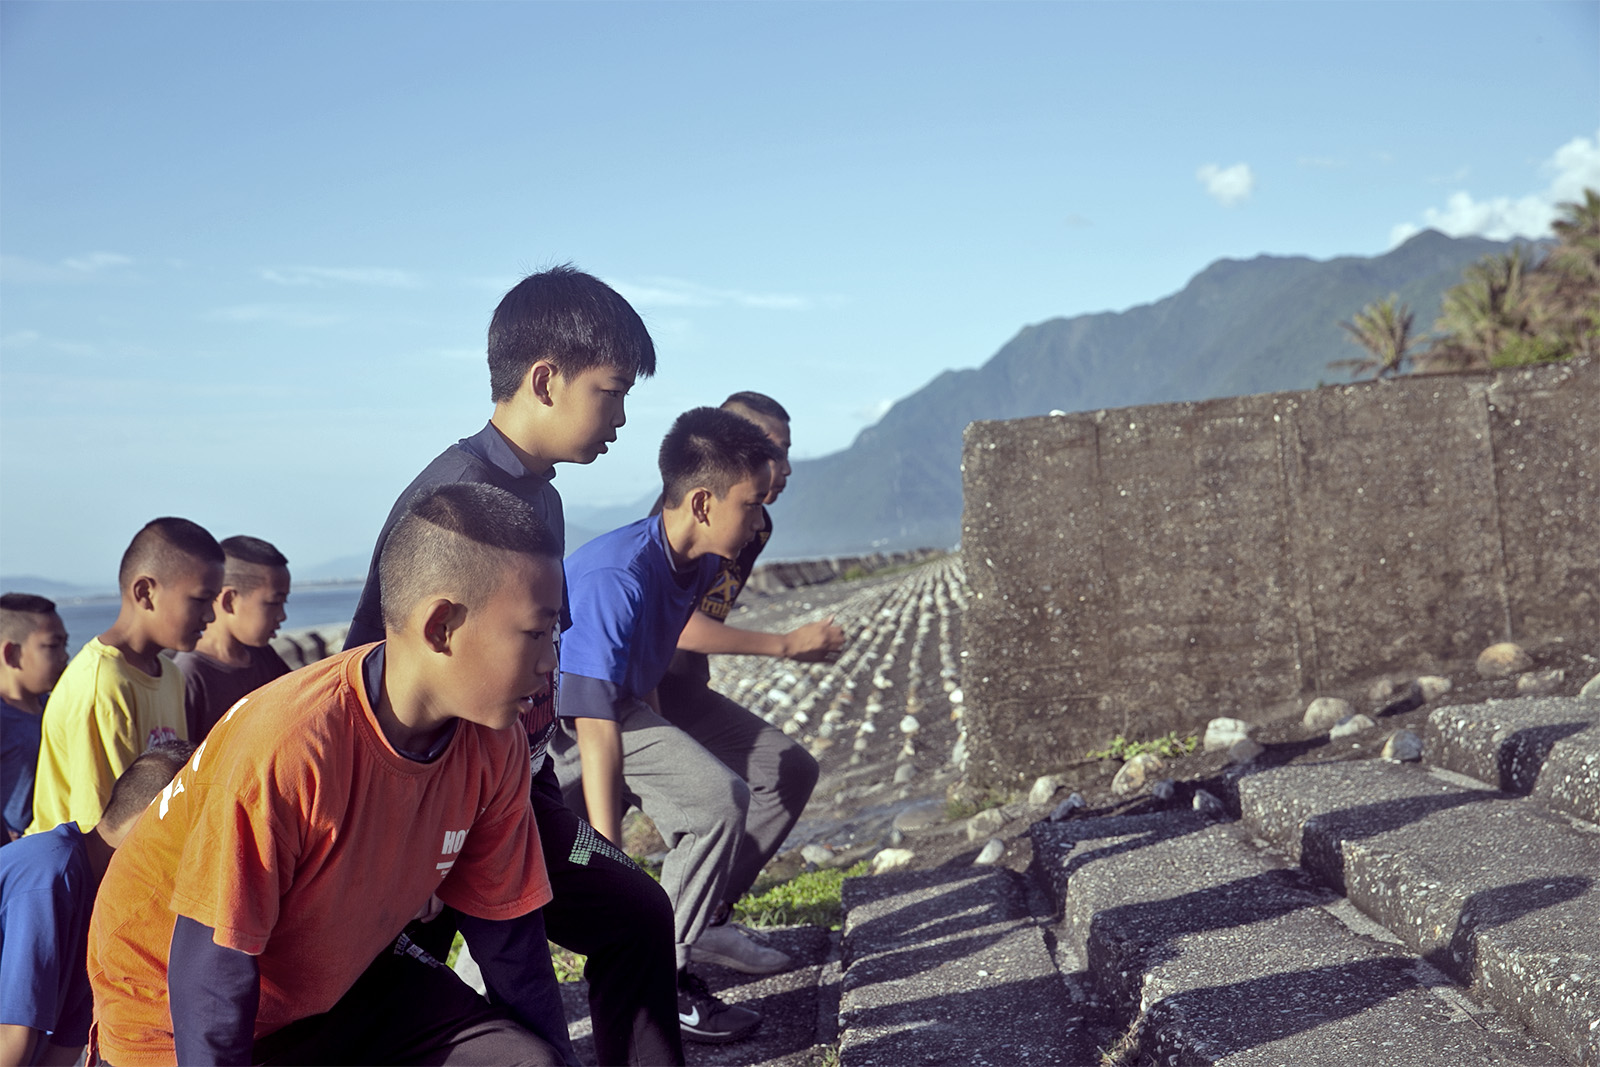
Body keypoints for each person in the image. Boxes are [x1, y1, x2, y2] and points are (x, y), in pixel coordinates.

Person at [89, 483, 569, 1067]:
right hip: (170, 1009)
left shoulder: (494, 739)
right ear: (441, 627)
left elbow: (510, 935)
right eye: (536, 633)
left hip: (332, 990)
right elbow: (212, 974)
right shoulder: (290, 745)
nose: (551, 661)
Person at [344, 265, 686, 1064]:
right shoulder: (455, 502)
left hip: (523, 792)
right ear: (545, 378)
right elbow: (371, 661)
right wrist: (400, 839)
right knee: (491, 1012)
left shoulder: (545, 495)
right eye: (613, 390)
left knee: (635, 911)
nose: (624, 416)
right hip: (438, 805)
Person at [551, 406, 782, 1044]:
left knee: (717, 801)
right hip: (549, 731)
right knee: (516, 878)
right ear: (703, 503)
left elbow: (644, 669)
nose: (760, 519)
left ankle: (664, 973)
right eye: (751, 503)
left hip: (616, 712)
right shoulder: (616, 575)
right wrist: (609, 853)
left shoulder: (699, 561)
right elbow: (589, 719)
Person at [652, 392, 844, 974]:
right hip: (624, 702)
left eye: (785, 456)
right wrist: (786, 645)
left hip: (686, 696)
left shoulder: (753, 524)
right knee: (547, 843)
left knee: (785, 771)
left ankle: (705, 922)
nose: (783, 470)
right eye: (772, 453)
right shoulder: (692, 519)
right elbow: (677, 623)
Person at [0, 741, 192, 1067]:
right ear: (150, 823)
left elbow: (67, 1044)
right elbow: (13, 1035)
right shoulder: (50, 874)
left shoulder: (108, 905)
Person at [27, 518, 223, 835]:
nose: (211, 615)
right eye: (200, 599)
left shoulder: (170, 674)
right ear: (145, 592)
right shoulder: (101, 683)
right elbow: (100, 829)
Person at [173, 535, 292, 742]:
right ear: (229, 601)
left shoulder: (264, 656)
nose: (282, 615)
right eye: (274, 602)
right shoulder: (190, 675)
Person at [0, 595, 69, 845]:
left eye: (65, 644)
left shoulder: (58, 707)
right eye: (53, 646)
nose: (65, 656)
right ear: (12, 653)